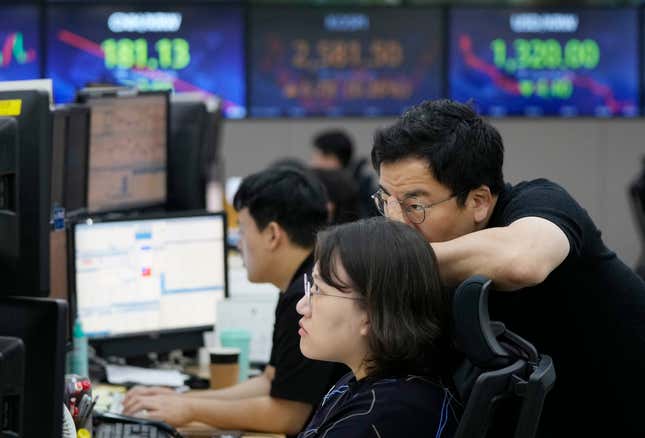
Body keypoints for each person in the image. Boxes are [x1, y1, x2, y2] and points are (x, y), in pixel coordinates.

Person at [370, 99, 645, 437]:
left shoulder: (542, 202)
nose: (396, 223)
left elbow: (522, 261)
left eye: (414, 205)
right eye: (386, 201)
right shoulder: (430, 249)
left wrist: (391, 261)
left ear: (479, 202)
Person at [123, 166, 347, 435]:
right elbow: (270, 382)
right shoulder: (299, 283)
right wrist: (180, 401)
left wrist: (190, 409)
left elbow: (288, 415)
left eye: (242, 230)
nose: (238, 243)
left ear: (273, 235)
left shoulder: (307, 296)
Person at [296, 218, 460, 437]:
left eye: (318, 290)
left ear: (372, 314)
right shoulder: (372, 384)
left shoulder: (385, 416)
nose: (302, 306)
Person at [311, 129, 379, 218]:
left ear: (331, 159)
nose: (312, 164)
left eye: (316, 158)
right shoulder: (363, 187)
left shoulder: (352, 195)